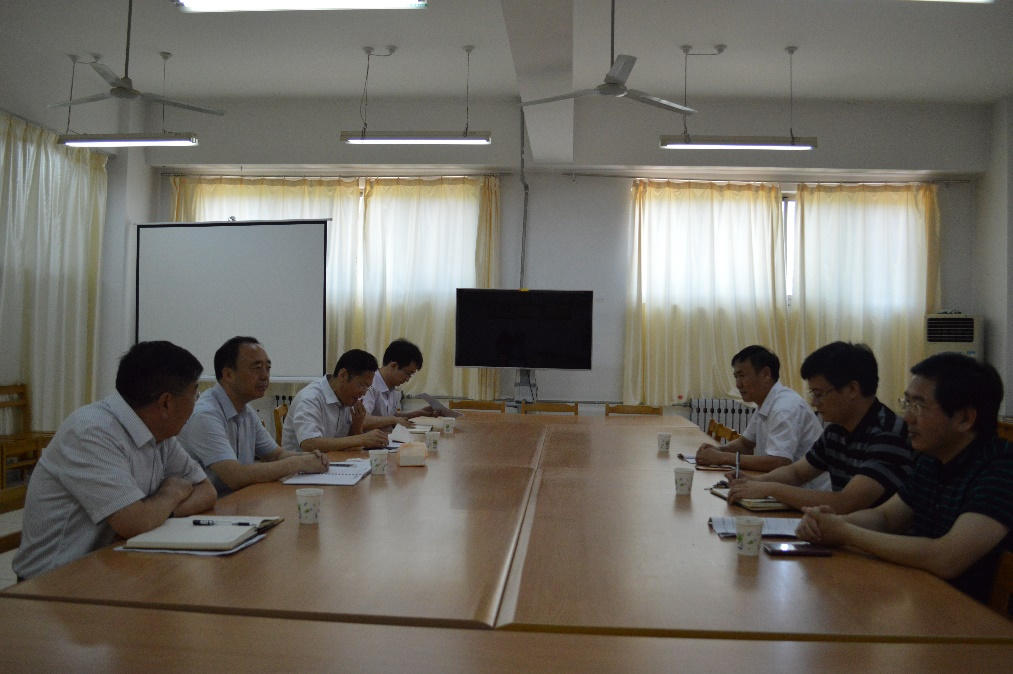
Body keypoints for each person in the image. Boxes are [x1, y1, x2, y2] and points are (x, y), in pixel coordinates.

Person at [797, 353, 1012, 604]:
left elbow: (947, 557)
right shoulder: (931, 460)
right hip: (924, 595)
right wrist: (828, 523)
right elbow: (886, 517)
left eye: (918, 406)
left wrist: (845, 532)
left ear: (964, 418)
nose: (907, 417)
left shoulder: (1001, 468)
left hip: (973, 616)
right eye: (907, 403)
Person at [12, 341, 217, 580]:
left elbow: (206, 491)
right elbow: (134, 523)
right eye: (195, 394)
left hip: (115, 566)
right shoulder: (91, 431)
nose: (196, 402)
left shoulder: (160, 432)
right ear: (166, 403)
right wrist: (171, 493)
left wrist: (159, 513)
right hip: (53, 581)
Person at [726, 341, 911, 513]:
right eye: (812, 394)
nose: (814, 403)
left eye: (819, 394)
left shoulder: (888, 434)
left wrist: (769, 488)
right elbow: (796, 473)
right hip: (844, 526)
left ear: (852, 389)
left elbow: (847, 502)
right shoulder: (836, 431)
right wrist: (755, 481)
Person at [177, 336, 328, 496]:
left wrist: (310, 457)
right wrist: (297, 463)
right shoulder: (205, 415)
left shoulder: (245, 410)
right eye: (257, 368)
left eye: (267, 368)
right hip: (209, 506)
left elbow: (276, 455)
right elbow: (234, 476)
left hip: (239, 499)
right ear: (228, 375)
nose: (265, 376)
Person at [696, 345, 828, 489]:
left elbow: (779, 462)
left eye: (742, 376)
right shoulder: (765, 403)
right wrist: (717, 451)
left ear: (765, 374)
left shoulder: (784, 407)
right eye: (736, 377)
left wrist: (723, 458)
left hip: (811, 492)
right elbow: (745, 444)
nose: (738, 384)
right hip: (782, 485)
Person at [281, 349, 389, 452]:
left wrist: (357, 424)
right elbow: (309, 443)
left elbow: (346, 443)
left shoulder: (346, 398)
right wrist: (361, 439)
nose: (364, 393)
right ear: (343, 375)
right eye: (362, 386)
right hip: (301, 463)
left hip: (332, 461)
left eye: (367, 388)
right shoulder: (310, 398)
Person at [360, 338, 435, 430]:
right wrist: (393, 420)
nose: (407, 379)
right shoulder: (370, 384)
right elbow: (362, 420)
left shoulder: (391, 386)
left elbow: (391, 415)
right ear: (393, 365)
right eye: (407, 373)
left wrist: (417, 413)